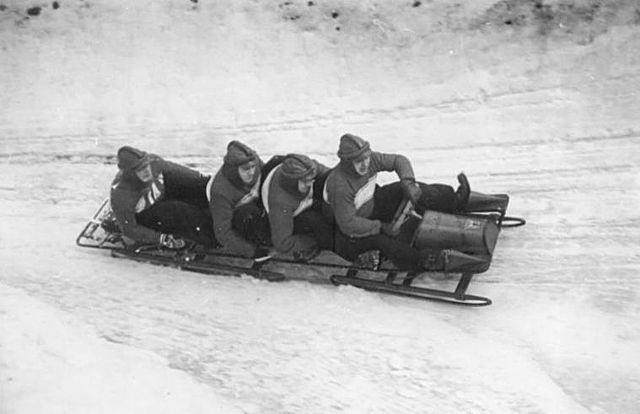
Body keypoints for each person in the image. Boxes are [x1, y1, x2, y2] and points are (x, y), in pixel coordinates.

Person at [322, 133, 470, 271]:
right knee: (385, 242)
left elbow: (399, 160)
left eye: (366, 158)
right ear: (347, 162)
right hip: (346, 232)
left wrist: (408, 183)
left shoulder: (370, 160)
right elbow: (348, 224)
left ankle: (454, 201)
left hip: (371, 204)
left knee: (407, 189)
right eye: (359, 161)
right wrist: (380, 227)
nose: (365, 164)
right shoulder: (340, 186)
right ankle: (426, 260)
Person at [110, 146, 215, 249]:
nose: (147, 171)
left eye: (146, 165)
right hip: (147, 214)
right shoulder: (121, 194)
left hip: (162, 194)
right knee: (179, 210)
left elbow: (177, 171)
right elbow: (129, 229)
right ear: (129, 173)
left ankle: (222, 208)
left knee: (194, 184)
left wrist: (204, 181)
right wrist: (161, 238)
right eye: (140, 169)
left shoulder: (153, 162)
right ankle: (215, 235)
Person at [261, 153, 333, 261]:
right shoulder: (280, 203)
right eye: (305, 181)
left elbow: (326, 174)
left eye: (311, 179)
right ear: (292, 182)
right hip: (290, 214)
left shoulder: (308, 169)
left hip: (302, 200)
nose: (309, 184)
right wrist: (312, 241)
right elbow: (282, 243)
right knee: (317, 222)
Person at [208, 141, 271, 258]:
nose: (252, 172)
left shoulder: (254, 162)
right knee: (247, 213)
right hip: (241, 217)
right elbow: (223, 232)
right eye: (246, 169)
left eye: (253, 166)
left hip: (256, 202)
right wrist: (252, 251)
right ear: (234, 169)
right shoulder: (220, 191)